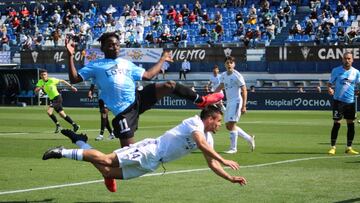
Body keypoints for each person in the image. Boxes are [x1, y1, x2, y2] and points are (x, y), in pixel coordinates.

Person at [65, 32, 223, 148]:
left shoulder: (126, 63)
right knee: (129, 154)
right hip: (124, 112)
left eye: (117, 44)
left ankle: (202, 101)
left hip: (137, 99)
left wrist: (162, 60)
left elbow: (147, 76)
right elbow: (74, 79)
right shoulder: (95, 65)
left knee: (169, 85)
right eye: (111, 44)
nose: (115, 47)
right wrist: (70, 56)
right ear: (103, 47)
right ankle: (88, 150)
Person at [43, 105, 247, 192]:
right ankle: (61, 152)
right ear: (209, 119)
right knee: (105, 160)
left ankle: (79, 140)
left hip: (154, 163)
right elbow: (201, 144)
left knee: (107, 171)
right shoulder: (195, 122)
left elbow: (210, 163)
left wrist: (230, 177)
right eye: (218, 121)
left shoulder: (209, 137)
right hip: (150, 150)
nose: (220, 125)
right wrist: (224, 159)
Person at [215, 57, 255, 154]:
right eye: (227, 63)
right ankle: (249, 138)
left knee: (232, 124)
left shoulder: (237, 76)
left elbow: (244, 90)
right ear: (225, 64)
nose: (229, 64)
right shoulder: (223, 75)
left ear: (234, 64)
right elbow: (220, 87)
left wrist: (244, 106)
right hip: (229, 102)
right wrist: (213, 95)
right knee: (228, 126)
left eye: (231, 63)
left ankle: (233, 149)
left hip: (237, 101)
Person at [327, 51, 359, 155]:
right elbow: (329, 83)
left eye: (349, 58)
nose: (347, 60)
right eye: (345, 58)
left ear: (352, 60)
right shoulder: (336, 70)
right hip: (338, 102)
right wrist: (330, 89)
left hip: (350, 102)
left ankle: (349, 147)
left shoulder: (356, 72)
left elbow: (359, 84)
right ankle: (333, 147)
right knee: (337, 124)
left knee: (351, 124)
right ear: (342, 59)